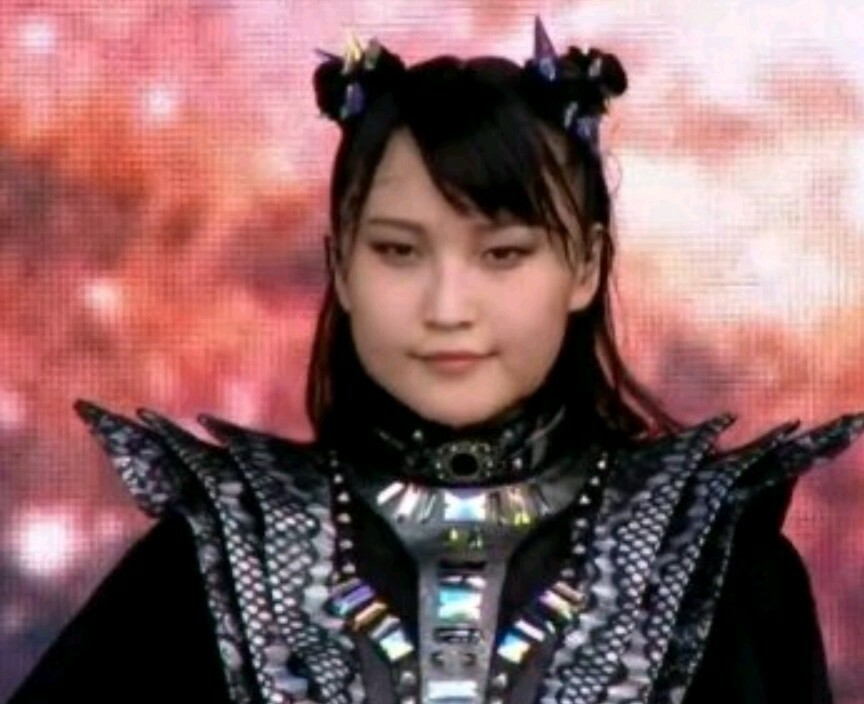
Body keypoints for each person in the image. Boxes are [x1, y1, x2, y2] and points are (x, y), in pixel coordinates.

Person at [9, 17, 864, 704]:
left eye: (503, 254)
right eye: (399, 251)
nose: (448, 307)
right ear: (342, 266)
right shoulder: (218, 559)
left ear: (585, 266)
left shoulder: (716, 567)